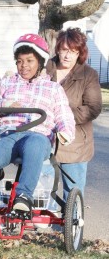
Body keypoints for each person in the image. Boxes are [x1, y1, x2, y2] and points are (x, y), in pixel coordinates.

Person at [0, 33, 75, 212]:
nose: (23, 65)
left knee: (35, 144)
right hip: (8, 133)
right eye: (19, 61)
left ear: (40, 62)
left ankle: (24, 195)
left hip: (37, 134)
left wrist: (65, 131)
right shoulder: (8, 82)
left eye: (29, 60)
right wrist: (5, 105)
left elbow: (64, 114)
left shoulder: (53, 88)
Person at [46, 27, 102, 201]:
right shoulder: (45, 68)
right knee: (44, 190)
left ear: (80, 53)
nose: (67, 56)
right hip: (44, 139)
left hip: (76, 143)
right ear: (58, 49)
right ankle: (44, 226)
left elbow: (93, 107)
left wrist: (62, 117)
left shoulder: (88, 75)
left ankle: (73, 225)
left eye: (73, 51)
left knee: (73, 194)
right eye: (64, 50)